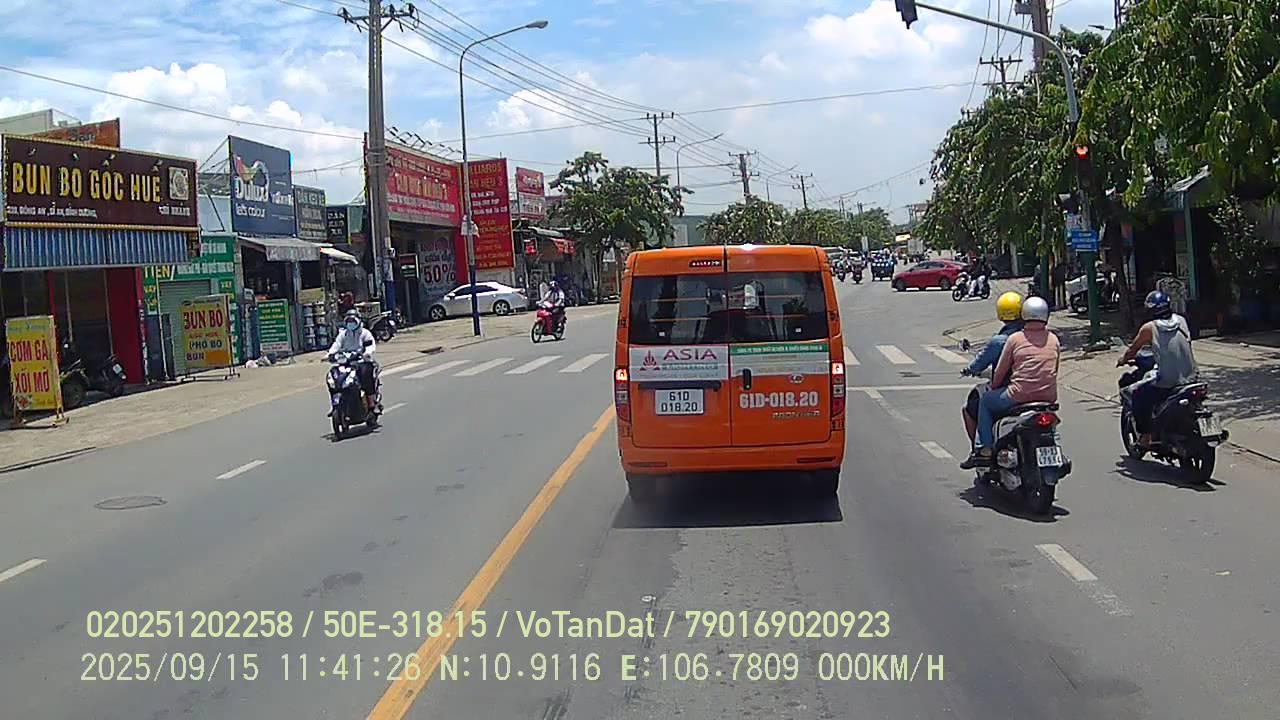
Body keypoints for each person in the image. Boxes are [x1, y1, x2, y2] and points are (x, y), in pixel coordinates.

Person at [961, 296, 1060, 468]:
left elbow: (1000, 370)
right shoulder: (1053, 339)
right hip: (1048, 397)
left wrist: (994, 386)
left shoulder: (1015, 339)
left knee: (985, 401)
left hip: (1018, 394)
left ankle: (984, 449)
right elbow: (1055, 369)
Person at [1116, 290, 1198, 448]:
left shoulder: (1149, 328)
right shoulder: (1182, 320)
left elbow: (1132, 350)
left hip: (1168, 382)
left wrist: (1123, 359)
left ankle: (1145, 436)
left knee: (1139, 395)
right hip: (1192, 377)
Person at [960, 292, 1025, 444]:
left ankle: (983, 446)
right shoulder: (1036, 337)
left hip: (1012, 391)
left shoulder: (1001, 341)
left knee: (983, 403)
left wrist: (969, 370)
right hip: (1042, 392)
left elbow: (980, 363)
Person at [328, 309, 379, 411]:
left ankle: (372, 402)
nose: (350, 324)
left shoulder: (365, 333)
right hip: (346, 362)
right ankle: (335, 404)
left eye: (353, 321)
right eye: (348, 321)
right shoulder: (343, 334)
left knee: (365, 374)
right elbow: (336, 345)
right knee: (334, 376)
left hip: (361, 362)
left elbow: (370, 346)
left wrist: (367, 353)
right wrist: (329, 355)